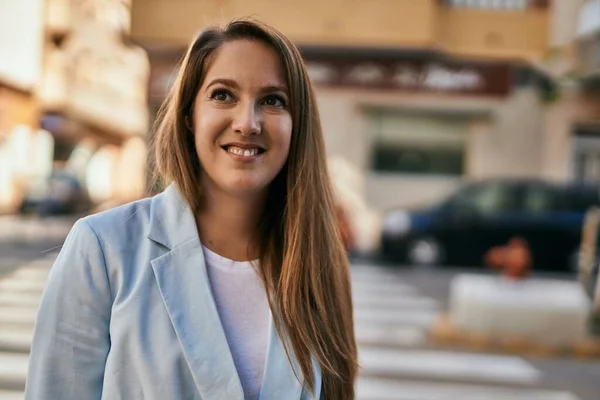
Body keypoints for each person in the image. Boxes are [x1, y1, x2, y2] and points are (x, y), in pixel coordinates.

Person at [25, 19, 358, 400]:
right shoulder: (103, 249)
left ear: (297, 126)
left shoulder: (319, 265)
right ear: (188, 115)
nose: (247, 123)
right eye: (223, 95)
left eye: (272, 100)